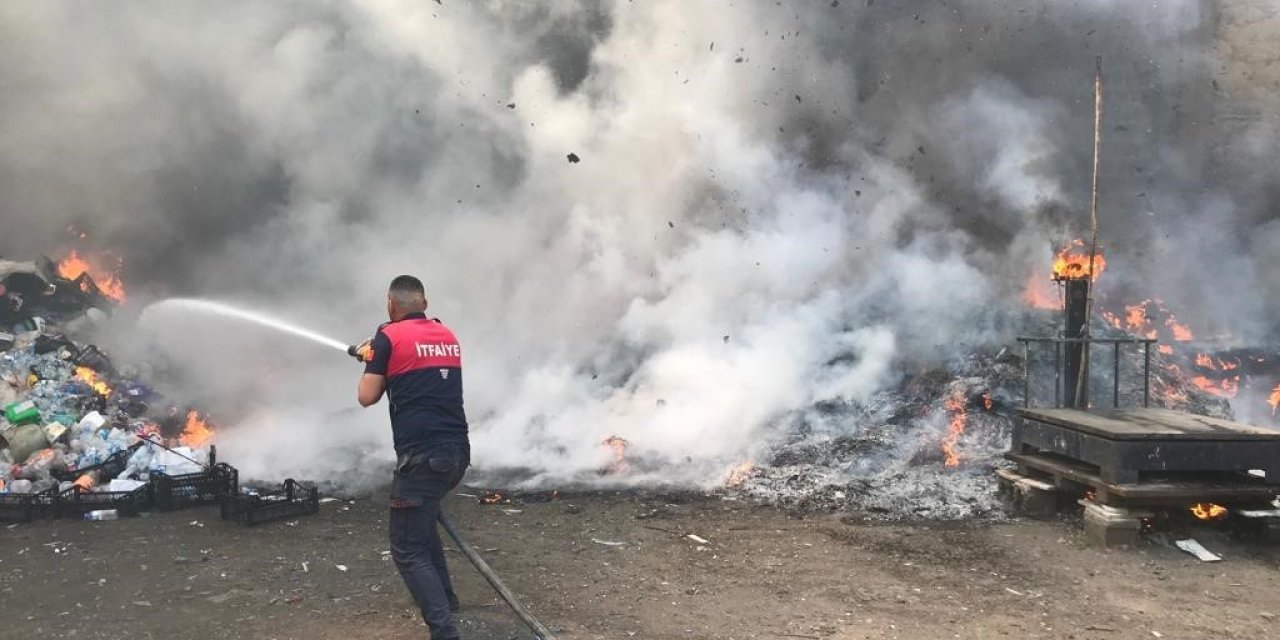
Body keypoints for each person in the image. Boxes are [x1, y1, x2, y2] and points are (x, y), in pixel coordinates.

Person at [356, 275, 469, 639]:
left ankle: (443, 631)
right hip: (456, 456)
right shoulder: (447, 334)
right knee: (422, 522)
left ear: (391, 304)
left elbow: (366, 395)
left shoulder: (388, 336)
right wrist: (377, 356)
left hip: (421, 460)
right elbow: (415, 372)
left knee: (407, 548)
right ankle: (446, 599)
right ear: (425, 303)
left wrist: (370, 359)